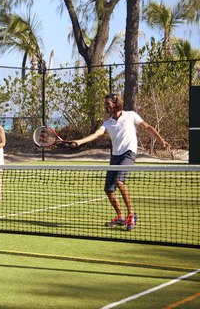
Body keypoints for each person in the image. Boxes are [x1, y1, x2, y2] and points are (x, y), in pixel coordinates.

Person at [71, 94, 170, 231]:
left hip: (128, 153)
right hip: (115, 157)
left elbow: (147, 127)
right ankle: (120, 217)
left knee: (119, 182)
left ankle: (131, 215)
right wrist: (80, 141)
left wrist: (161, 140)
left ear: (116, 103)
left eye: (108, 103)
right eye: (105, 104)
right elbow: (96, 134)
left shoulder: (131, 115)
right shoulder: (107, 123)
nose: (106, 106)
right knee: (108, 189)